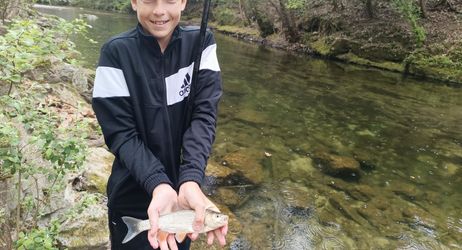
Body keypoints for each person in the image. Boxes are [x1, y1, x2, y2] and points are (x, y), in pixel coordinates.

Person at [91, 0, 227, 249]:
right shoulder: (114, 54)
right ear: (134, 2)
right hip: (130, 194)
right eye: (149, 0)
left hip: (181, 198)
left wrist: (191, 179)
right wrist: (158, 183)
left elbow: (204, 116)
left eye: (170, 0)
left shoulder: (202, 43)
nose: (159, 10)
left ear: (184, 2)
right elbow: (121, 135)